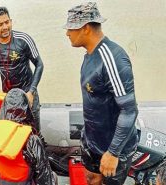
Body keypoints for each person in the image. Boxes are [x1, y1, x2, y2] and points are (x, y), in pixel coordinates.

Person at [64, 2, 139, 184]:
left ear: (86, 28)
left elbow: (129, 111)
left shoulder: (112, 58)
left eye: (71, 29)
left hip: (113, 148)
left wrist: (113, 153)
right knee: (91, 179)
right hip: (92, 141)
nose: (67, 33)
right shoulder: (89, 55)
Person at [0, 88, 56, 185]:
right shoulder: (31, 140)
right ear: (26, 111)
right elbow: (45, 180)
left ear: (3, 108)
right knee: (53, 177)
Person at [0, 7, 44, 131]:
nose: (5, 27)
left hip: (27, 92)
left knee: (34, 129)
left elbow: (39, 64)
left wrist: (32, 91)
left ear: (11, 21)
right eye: (0, 24)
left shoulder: (23, 39)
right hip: (9, 96)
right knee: (13, 129)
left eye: (7, 22)